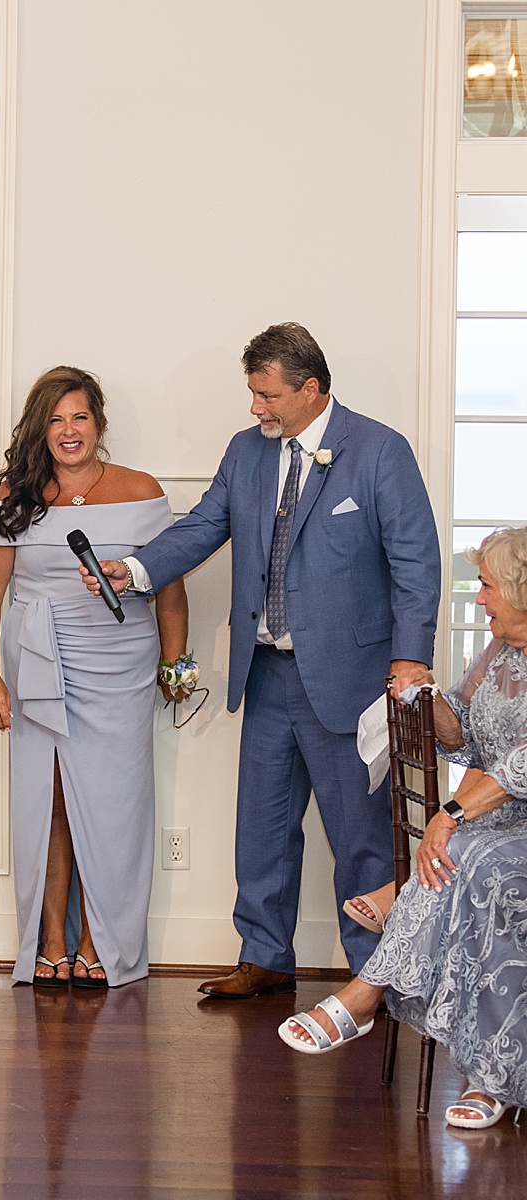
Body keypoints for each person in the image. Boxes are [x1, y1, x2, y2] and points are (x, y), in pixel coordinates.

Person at [84, 323, 441, 997]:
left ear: (311, 389)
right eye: (254, 394)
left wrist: (407, 661)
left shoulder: (379, 452)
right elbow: (201, 526)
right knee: (264, 829)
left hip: (352, 681)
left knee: (361, 838)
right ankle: (266, 958)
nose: (257, 408)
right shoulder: (247, 453)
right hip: (269, 672)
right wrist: (134, 569)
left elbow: (416, 564)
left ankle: (377, 978)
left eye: (267, 395)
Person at [277, 526, 527, 1130]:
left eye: (489, 587)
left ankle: (366, 994)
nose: (481, 599)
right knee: (464, 864)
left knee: (465, 859)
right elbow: (459, 733)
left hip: (496, 819)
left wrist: (451, 815)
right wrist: (426, 695)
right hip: (497, 820)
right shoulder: (498, 653)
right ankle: (493, 1077)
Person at [0, 366, 190, 989]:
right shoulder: (14, 497)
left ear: (99, 423)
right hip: (37, 661)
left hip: (122, 662)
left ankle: (100, 943)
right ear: (41, 429)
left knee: (115, 806)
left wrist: (175, 660)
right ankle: (48, 941)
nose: (69, 431)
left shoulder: (141, 491)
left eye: (80, 417)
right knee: (53, 804)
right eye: (56, 420)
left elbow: (170, 585)